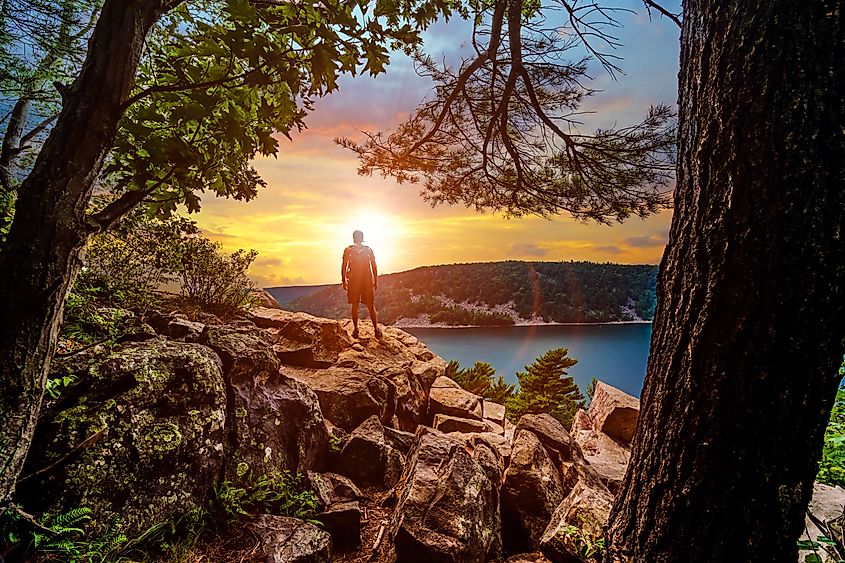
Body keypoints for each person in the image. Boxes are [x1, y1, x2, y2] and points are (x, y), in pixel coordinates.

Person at [341, 229, 380, 339]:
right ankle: (376, 330)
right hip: (366, 280)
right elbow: (374, 266)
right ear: (362, 238)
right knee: (370, 305)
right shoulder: (368, 250)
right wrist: (375, 281)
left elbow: (344, 266)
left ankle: (356, 329)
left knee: (355, 305)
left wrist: (344, 280)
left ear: (353, 238)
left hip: (354, 280)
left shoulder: (348, 250)